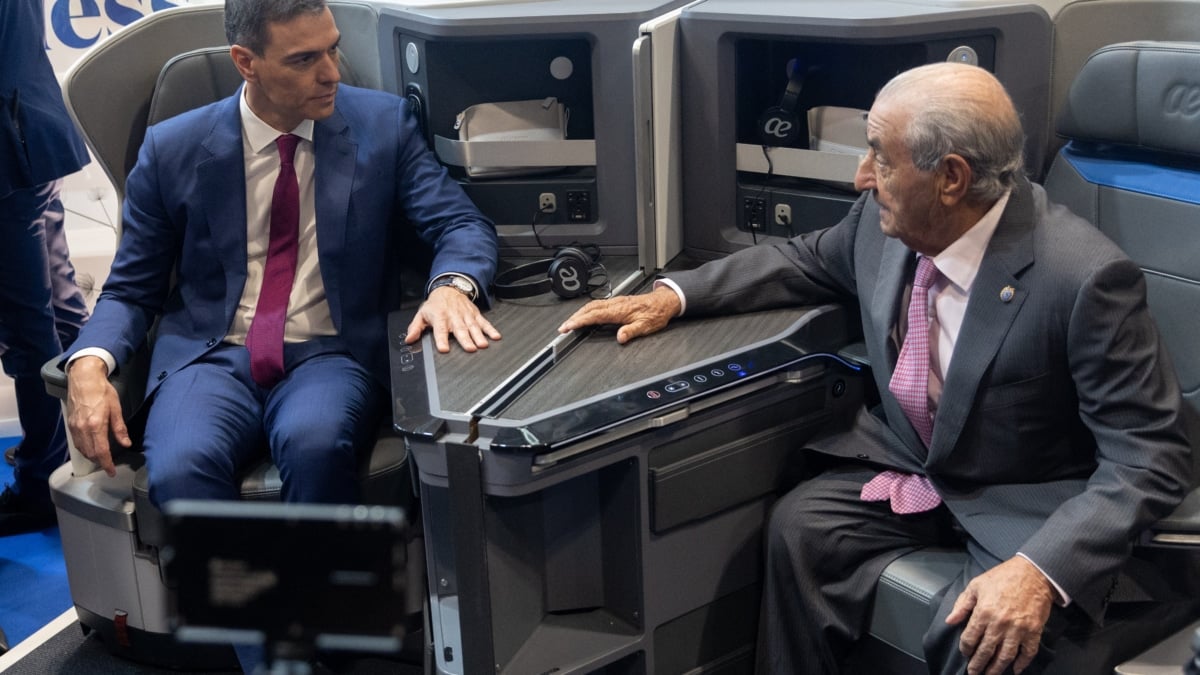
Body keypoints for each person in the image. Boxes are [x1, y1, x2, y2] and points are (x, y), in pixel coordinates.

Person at [560, 62, 1197, 675]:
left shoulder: (1083, 278)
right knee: (800, 530)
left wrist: (1039, 569)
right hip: (919, 462)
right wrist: (672, 296)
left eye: (881, 159)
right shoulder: (882, 223)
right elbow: (802, 260)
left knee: (976, 634)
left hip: (1027, 497)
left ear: (950, 178)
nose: (861, 177)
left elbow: (1151, 456)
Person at [63, 0, 500, 512]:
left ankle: (319, 592)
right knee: (182, 468)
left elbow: (460, 223)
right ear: (246, 62)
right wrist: (88, 363)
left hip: (331, 351)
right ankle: (230, 595)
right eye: (303, 60)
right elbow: (131, 289)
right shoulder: (171, 149)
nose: (331, 73)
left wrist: (452, 285)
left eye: (332, 50)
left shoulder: (382, 125)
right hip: (211, 356)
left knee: (314, 443)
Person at [0, 0, 93, 536]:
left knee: (29, 325)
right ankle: (67, 444)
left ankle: (40, 480)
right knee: (57, 307)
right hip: (29, 130)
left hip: (11, 147)